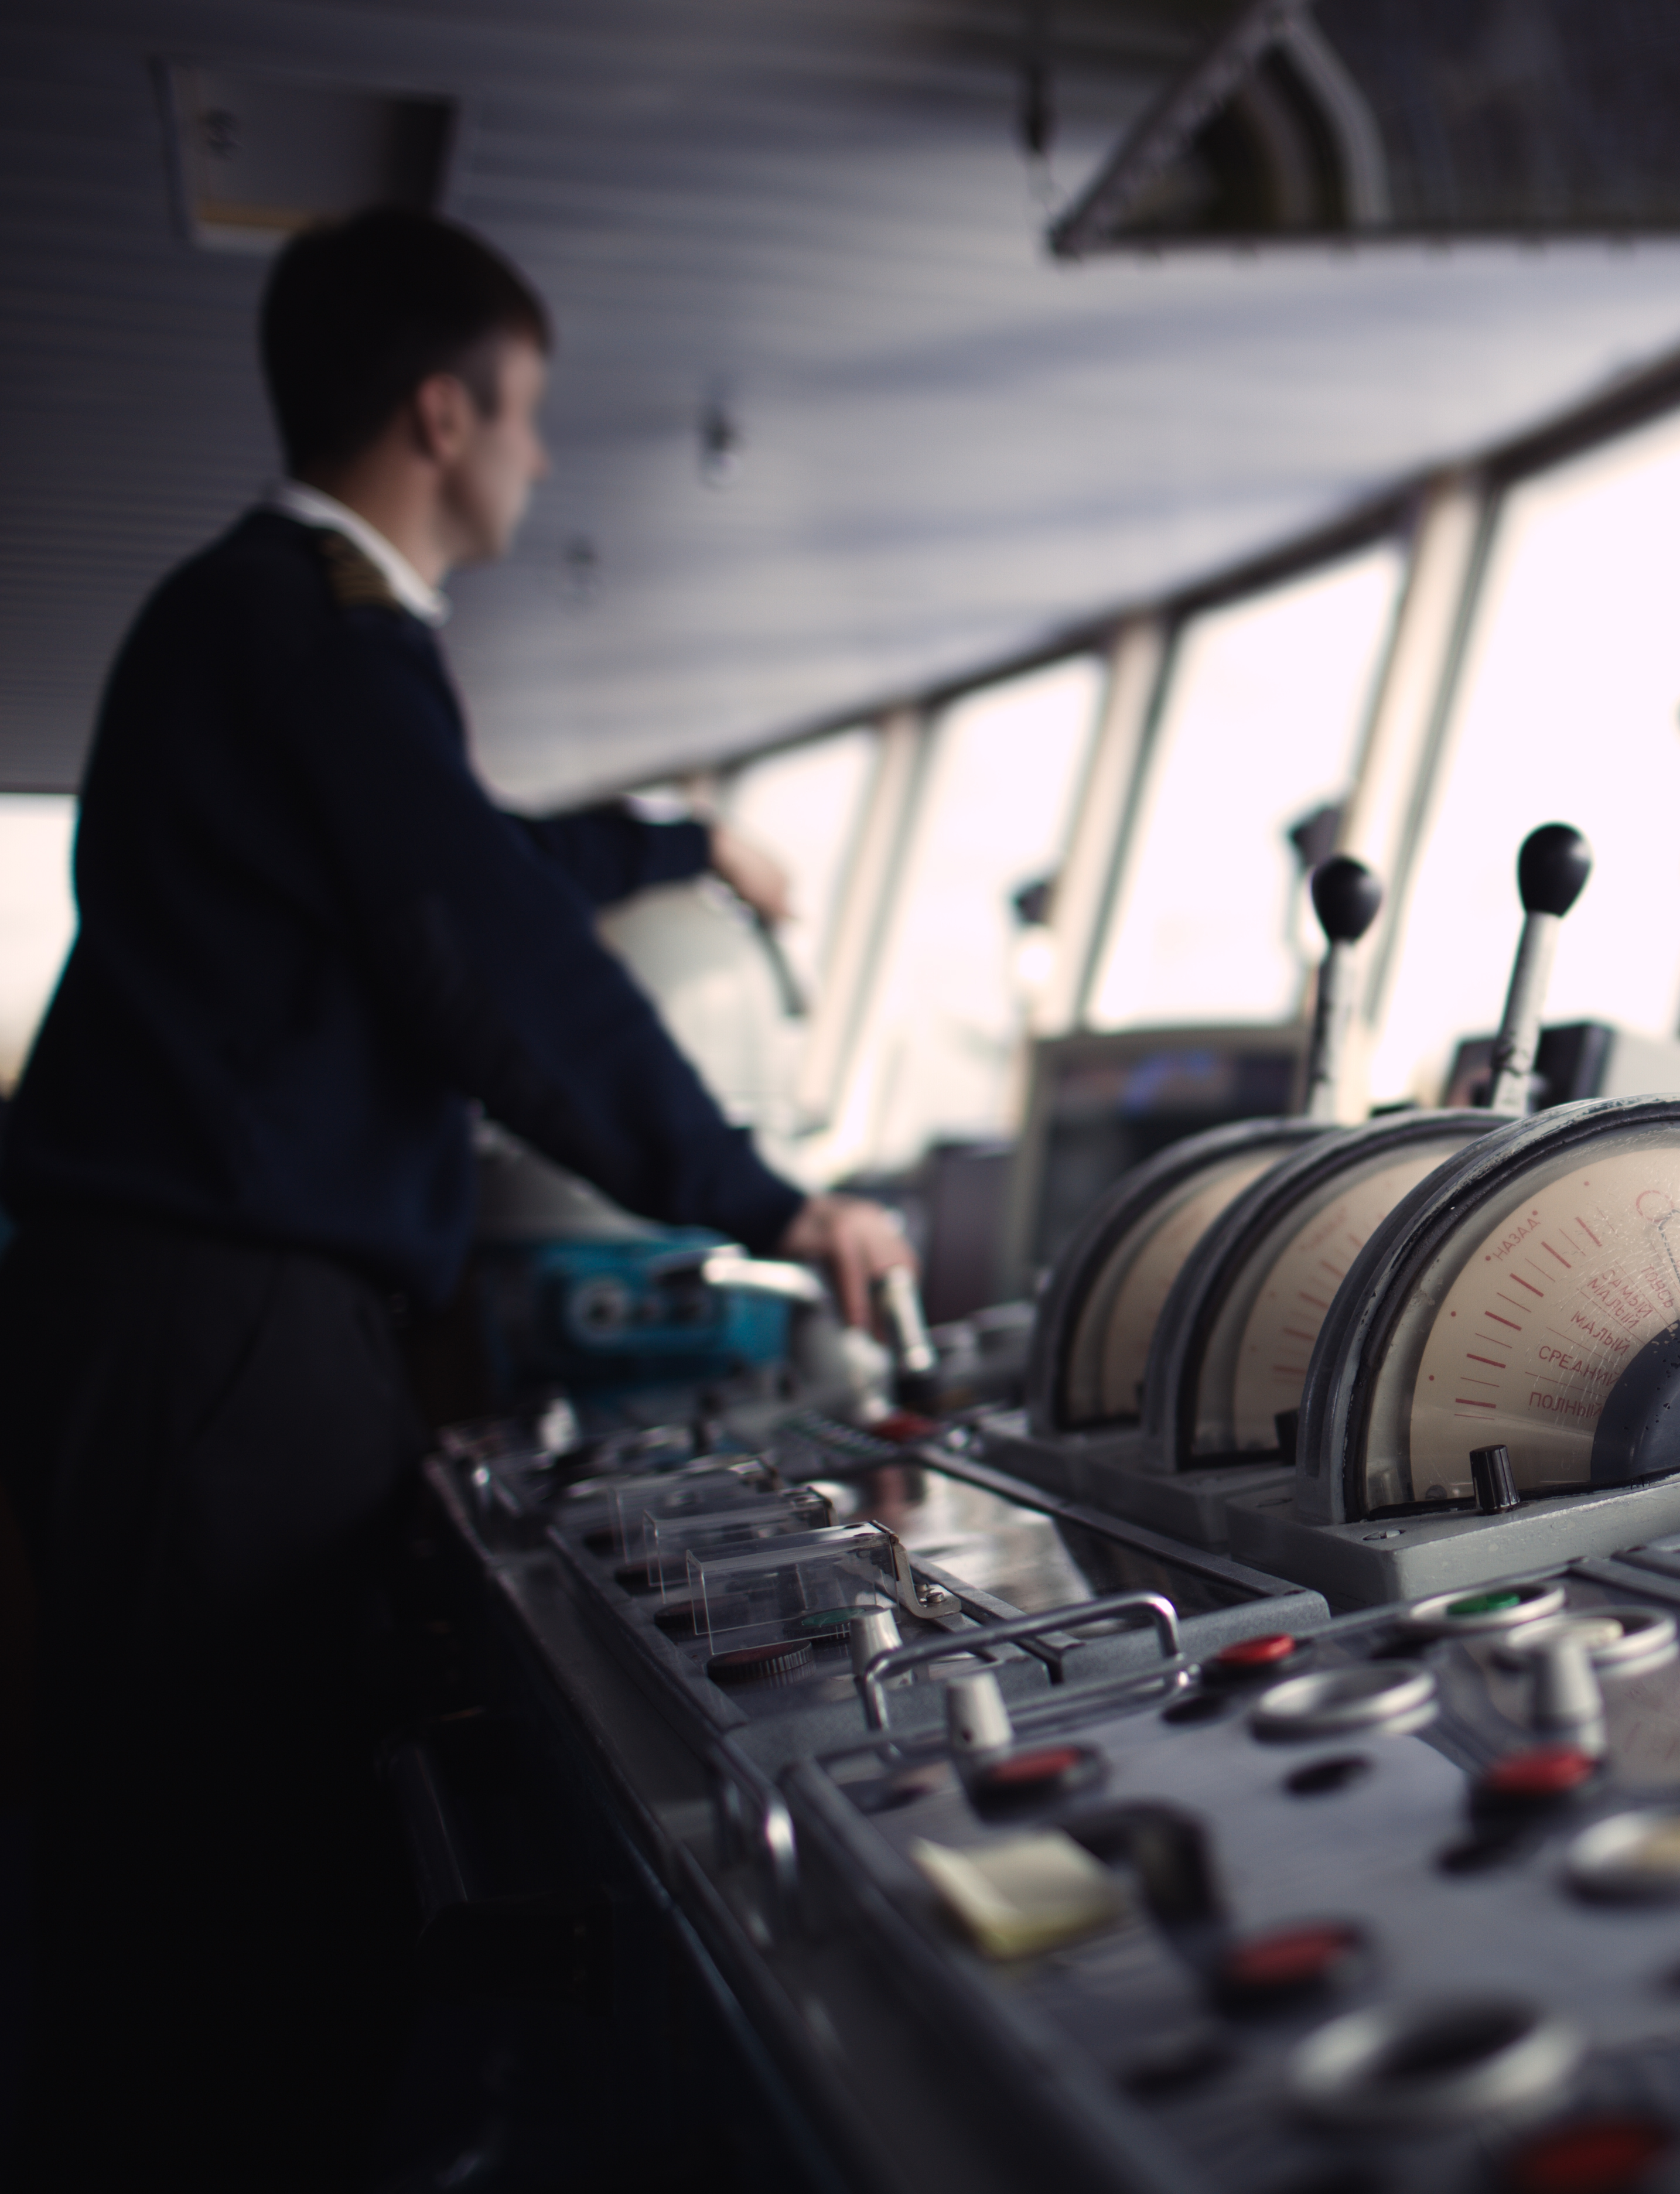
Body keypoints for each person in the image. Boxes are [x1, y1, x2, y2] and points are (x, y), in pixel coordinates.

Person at [0, 207, 911, 2175]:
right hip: (219, 1330)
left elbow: (459, 862)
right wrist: (772, 1200)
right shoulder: (319, 630)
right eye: (529, 414)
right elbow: (491, 961)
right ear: (443, 412)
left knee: (191, 1834)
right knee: (215, 1857)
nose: (541, 454)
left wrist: (674, 841)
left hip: (188, 1316)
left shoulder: (267, 626)